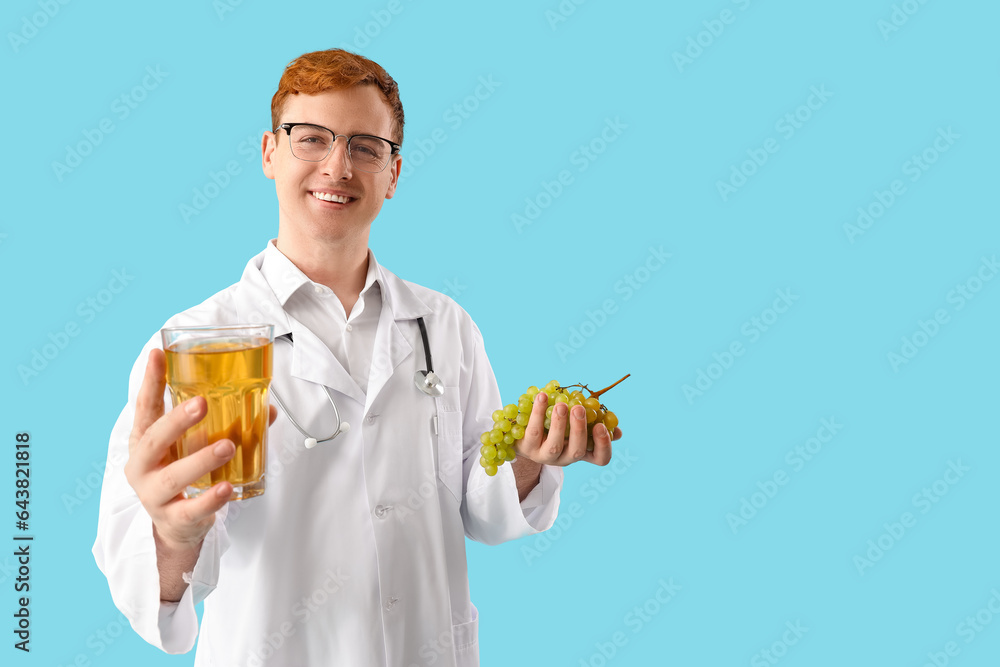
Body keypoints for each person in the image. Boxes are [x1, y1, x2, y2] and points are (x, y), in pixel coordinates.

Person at [93, 48, 620, 666]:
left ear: (393, 173)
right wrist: (175, 536)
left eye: (365, 147)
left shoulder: (444, 326)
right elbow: (144, 584)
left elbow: (484, 509)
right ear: (269, 153)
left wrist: (527, 462)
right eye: (311, 138)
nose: (337, 166)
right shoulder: (194, 343)